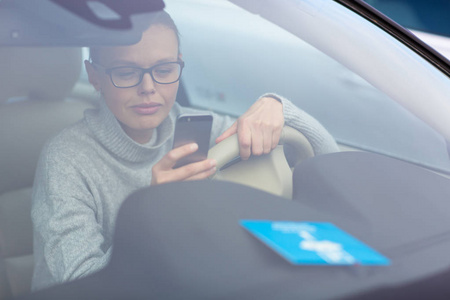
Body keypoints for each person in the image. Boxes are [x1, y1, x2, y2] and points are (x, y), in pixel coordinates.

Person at [31, 10, 339, 291]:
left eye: (164, 69)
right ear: (95, 76)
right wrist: (152, 214)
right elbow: (79, 285)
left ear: (180, 63)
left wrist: (281, 109)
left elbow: (332, 175)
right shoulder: (65, 159)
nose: (149, 87)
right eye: (126, 73)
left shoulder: (199, 129)